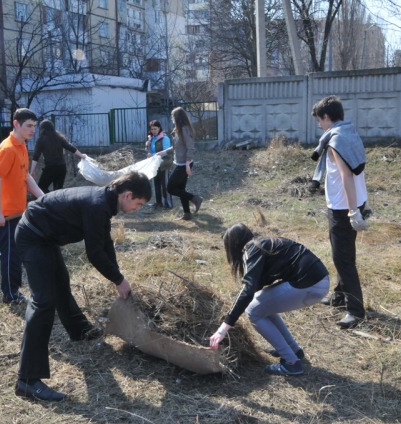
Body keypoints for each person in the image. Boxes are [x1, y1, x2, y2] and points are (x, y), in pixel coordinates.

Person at [13, 171, 151, 401]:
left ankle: (80, 330)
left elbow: (105, 243)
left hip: (46, 239)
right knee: (43, 302)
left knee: (61, 285)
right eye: (138, 203)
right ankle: (27, 380)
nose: (138, 208)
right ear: (127, 195)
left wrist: (119, 277)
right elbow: (94, 254)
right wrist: (118, 279)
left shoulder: (105, 202)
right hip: (33, 237)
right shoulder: (97, 205)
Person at [209, 223, 329, 376]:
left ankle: (291, 363)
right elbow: (255, 289)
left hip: (309, 284)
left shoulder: (252, 248)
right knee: (261, 305)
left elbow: (249, 289)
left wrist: (223, 328)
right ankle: (293, 350)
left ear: (234, 245)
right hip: (320, 282)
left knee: (254, 311)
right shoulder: (262, 244)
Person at [311, 95, 369, 329]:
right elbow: (360, 172)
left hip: (343, 207)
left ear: (326, 117)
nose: (319, 125)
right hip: (349, 203)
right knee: (341, 252)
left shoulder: (335, 141)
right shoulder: (349, 133)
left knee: (343, 259)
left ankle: (355, 311)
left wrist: (353, 211)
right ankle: (339, 295)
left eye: (319, 120)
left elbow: (347, 176)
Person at [0, 108, 44, 305]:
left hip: (19, 211)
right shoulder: (7, 149)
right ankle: (10, 295)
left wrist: (42, 197)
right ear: (16, 124)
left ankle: (15, 290)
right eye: (29, 126)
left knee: (18, 253)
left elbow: (26, 176)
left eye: (35, 126)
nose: (32, 130)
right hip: (7, 215)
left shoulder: (22, 146)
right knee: (10, 255)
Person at [156, 107, 203, 220]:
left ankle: (195, 198)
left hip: (184, 165)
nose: (172, 119)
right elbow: (176, 147)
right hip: (181, 164)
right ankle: (187, 214)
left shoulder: (185, 130)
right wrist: (161, 152)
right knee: (181, 189)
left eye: (173, 117)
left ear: (177, 118)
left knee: (170, 188)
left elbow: (190, 148)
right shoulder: (178, 130)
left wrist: (187, 166)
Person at [30, 120, 86, 193]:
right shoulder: (59, 138)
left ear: (42, 129)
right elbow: (70, 147)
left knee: (41, 188)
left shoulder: (41, 140)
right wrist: (81, 155)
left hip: (50, 168)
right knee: (58, 191)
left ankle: (49, 200)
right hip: (62, 168)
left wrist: (32, 171)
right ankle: (55, 200)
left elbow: (35, 156)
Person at [145, 119, 172, 209]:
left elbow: (166, 151)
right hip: (154, 165)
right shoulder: (151, 139)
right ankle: (158, 203)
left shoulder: (165, 138)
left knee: (165, 185)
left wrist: (152, 155)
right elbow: (150, 151)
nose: (153, 131)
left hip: (163, 165)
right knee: (156, 184)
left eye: (155, 129)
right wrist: (147, 147)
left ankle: (168, 204)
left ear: (159, 128)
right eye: (152, 129)